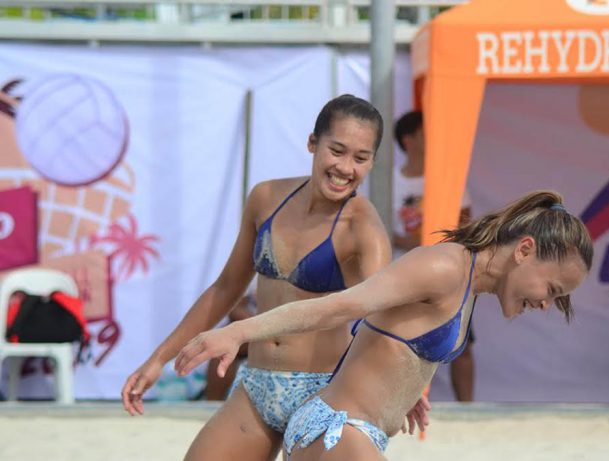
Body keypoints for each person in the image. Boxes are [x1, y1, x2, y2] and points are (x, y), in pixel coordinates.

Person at [175, 190, 594, 460]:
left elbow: (380, 329)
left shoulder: (468, 288)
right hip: (337, 431)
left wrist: (405, 386)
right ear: (524, 249)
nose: (545, 304)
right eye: (553, 289)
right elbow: (341, 307)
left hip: (355, 435)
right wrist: (237, 332)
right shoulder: (444, 266)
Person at [121, 94, 400, 461]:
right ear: (312, 143)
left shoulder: (363, 228)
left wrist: (405, 389)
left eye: (360, 158)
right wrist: (158, 359)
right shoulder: (266, 197)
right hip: (257, 386)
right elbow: (225, 288)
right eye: (337, 150)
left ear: (372, 162)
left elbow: (386, 318)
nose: (346, 167)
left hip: (326, 394)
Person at [393, 110, 474, 401]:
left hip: (447, 276)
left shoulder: (446, 178)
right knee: (402, 345)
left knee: (461, 345)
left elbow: (465, 226)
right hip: (403, 278)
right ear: (409, 140)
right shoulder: (387, 181)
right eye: (427, 132)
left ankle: (468, 411)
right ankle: (404, 405)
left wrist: (413, 239)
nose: (435, 138)